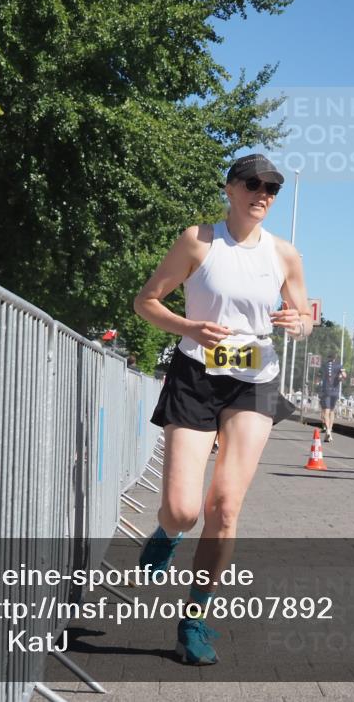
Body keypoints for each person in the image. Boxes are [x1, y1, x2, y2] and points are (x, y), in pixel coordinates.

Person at [133, 153, 311, 664]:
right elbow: (147, 301)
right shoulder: (199, 240)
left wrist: (294, 322)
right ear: (230, 189)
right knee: (185, 509)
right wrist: (189, 328)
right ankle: (167, 532)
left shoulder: (286, 255)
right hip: (196, 375)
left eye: (272, 188)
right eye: (254, 184)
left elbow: (302, 317)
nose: (264, 194)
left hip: (255, 379)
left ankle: (195, 620)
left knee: (225, 506)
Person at [318, 354, 346, 442]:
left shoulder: (323, 365)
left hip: (326, 391)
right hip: (335, 391)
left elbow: (318, 379)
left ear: (328, 358)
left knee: (326, 411)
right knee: (332, 411)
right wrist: (340, 378)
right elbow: (344, 375)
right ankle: (330, 430)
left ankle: (328, 430)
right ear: (335, 358)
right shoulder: (339, 366)